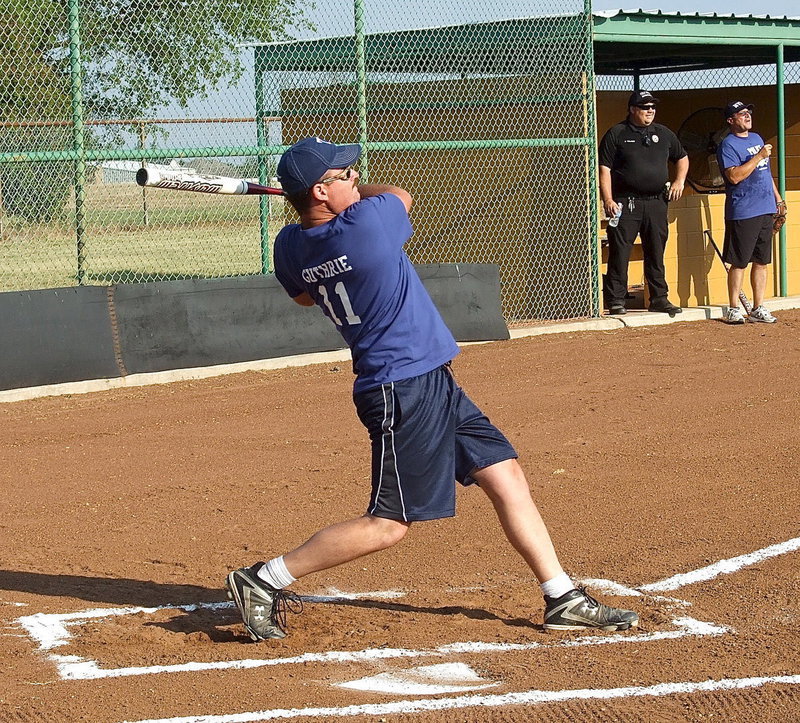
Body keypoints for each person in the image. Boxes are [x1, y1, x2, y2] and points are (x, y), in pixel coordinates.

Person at [224, 137, 639, 642]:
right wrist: (348, 198)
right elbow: (400, 193)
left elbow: (308, 299)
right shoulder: (368, 225)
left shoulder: (288, 245)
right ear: (320, 190)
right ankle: (264, 579)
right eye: (345, 173)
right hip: (402, 388)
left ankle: (561, 596)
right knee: (389, 524)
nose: (357, 176)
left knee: (505, 476)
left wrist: (320, 203)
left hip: (426, 377)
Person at [598, 90, 689, 316]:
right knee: (620, 251)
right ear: (632, 109)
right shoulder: (617, 133)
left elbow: (682, 157)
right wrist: (608, 199)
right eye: (645, 107)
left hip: (656, 202)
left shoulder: (663, 133)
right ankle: (616, 300)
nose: (650, 111)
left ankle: (659, 298)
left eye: (652, 107)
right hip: (625, 203)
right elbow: (604, 169)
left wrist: (679, 181)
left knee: (656, 251)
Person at [716, 100, 785, 325]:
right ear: (730, 120)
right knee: (739, 262)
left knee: (762, 261)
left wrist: (778, 199)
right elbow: (734, 176)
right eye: (741, 114)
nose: (747, 116)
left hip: (766, 207)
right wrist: (758, 157)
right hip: (743, 211)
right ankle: (734, 308)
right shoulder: (728, 145)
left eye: (748, 113)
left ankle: (758, 307)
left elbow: (766, 174)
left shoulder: (757, 138)